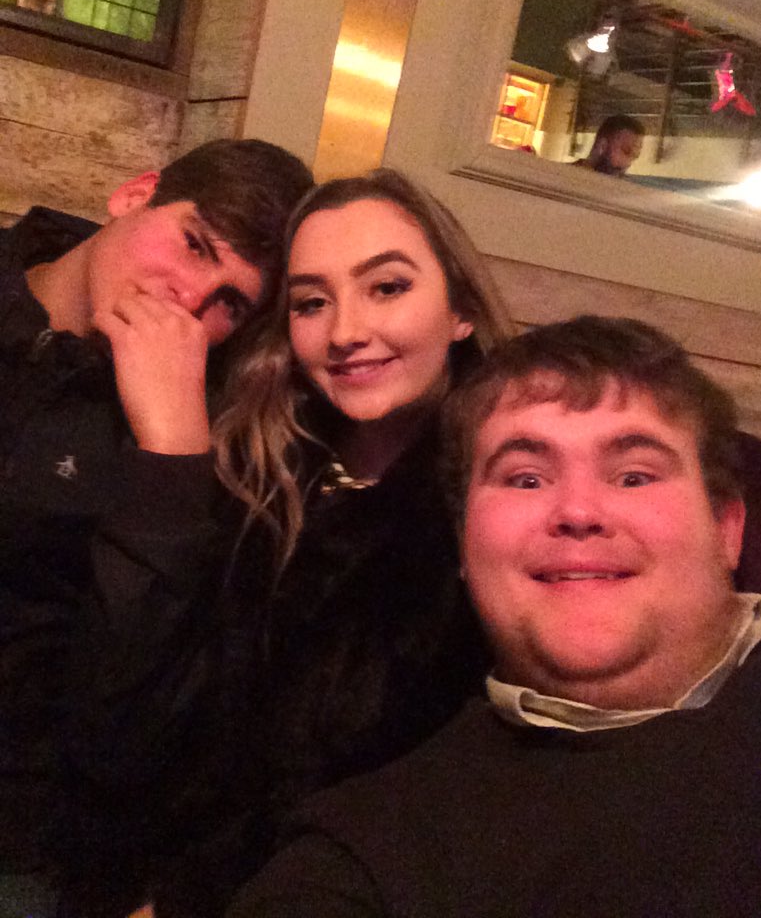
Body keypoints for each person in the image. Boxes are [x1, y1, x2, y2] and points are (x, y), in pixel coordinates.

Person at [73, 169, 512, 916]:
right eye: (312, 302)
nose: (344, 332)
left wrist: (187, 899)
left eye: (387, 287)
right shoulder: (256, 459)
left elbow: (416, 795)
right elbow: (124, 694)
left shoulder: (490, 509)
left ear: (461, 310)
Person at [230, 315, 761, 918]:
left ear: (728, 528)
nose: (578, 512)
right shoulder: (367, 858)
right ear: (463, 542)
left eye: (634, 475)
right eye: (526, 479)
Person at [0, 138, 313, 916]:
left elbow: (122, 722)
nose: (190, 300)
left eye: (230, 303)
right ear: (134, 195)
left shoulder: (208, 436)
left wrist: (170, 452)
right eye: (194, 245)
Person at [573, 113, 645, 175]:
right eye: (626, 151)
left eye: (634, 157)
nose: (628, 164)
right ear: (602, 146)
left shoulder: (620, 185)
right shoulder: (568, 176)